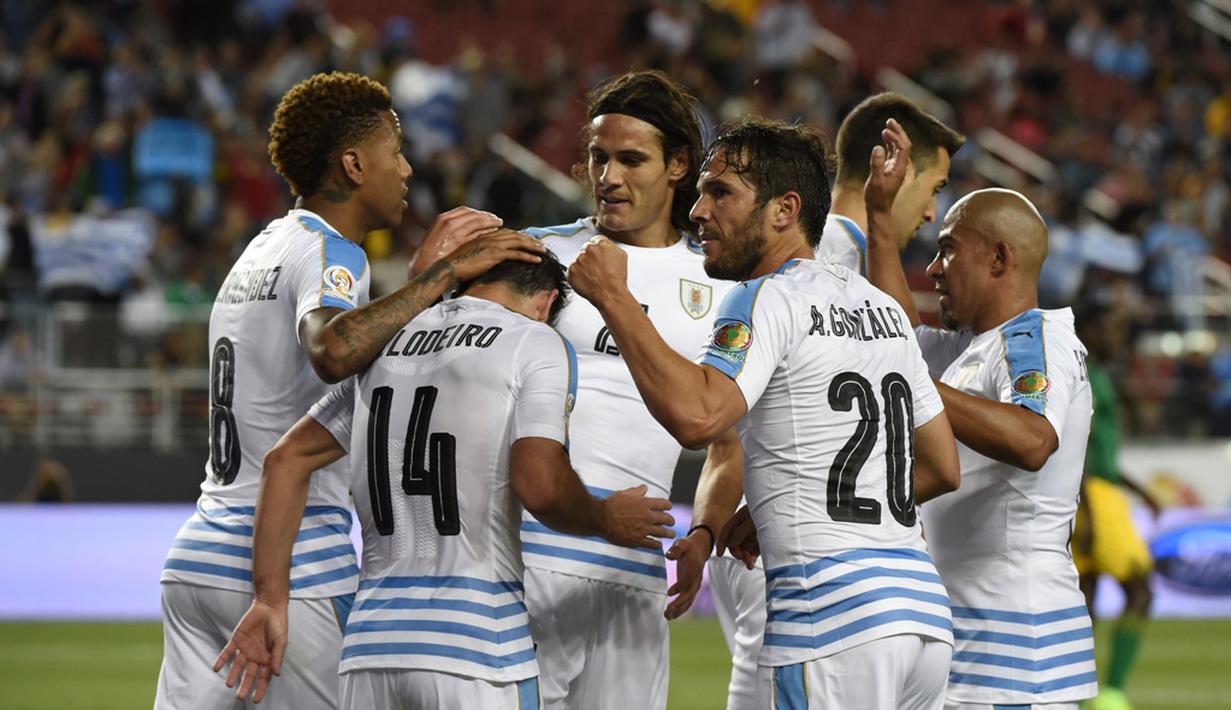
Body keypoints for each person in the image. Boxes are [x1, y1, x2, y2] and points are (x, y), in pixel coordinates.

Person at [155, 71, 545, 710]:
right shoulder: (333, 252)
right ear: (355, 164)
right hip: (292, 562)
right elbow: (333, 349)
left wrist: (417, 280)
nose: (408, 169)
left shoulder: (258, 251)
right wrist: (442, 275)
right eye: (397, 152)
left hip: (200, 556)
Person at [568, 116, 962, 709]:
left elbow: (699, 417)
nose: (698, 211)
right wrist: (792, 498)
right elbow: (941, 465)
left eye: (720, 193)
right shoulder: (882, 308)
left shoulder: (764, 295)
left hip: (829, 617)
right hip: (919, 617)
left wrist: (614, 298)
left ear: (785, 210)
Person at [212, 253, 676, 708]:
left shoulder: (386, 344)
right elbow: (541, 486)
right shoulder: (534, 341)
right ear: (547, 301)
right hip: (478, 648)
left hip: (370, 649)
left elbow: (284, 460)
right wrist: (606, 518)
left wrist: (269, 600)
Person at [705, 92, 966, 710]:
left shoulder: (810, 265)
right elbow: (731, 431)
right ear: (888, 168)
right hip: (816, 564)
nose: (932, 212)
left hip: (817, 557)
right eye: (933, 187)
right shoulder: (820, 262)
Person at [516, 70, 741, 710]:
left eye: (631, 160)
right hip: (529, 559)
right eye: (598, 157)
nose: (608, 177)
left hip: (636, 570)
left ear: (678, 166)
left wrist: (704, 532)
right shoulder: (538, 257)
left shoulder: (722, 286)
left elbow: (729, 444)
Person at [865, 119, 1099, 709]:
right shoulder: (971, 348)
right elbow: (896, 336)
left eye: (948, 248)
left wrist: (912, 379)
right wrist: (880, 221)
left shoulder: (1035, 340)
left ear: (999, 258)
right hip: (976, 637)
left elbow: (1032, 439)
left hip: (1015, 649)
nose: (933, 268)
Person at [1074, 307, 1159, 710]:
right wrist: (1088, 511)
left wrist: (1139, 489)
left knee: (1085, 596)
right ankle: (1112, 691)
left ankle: (1079, 694)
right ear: (1090, 330)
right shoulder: (1085, 375)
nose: (1117, 336)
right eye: (1110, 327)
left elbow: (1099, 451)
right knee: (1140, 589)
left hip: (1098, 489)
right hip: (1094, 495)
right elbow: (1077, 446)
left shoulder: (1098, 374)